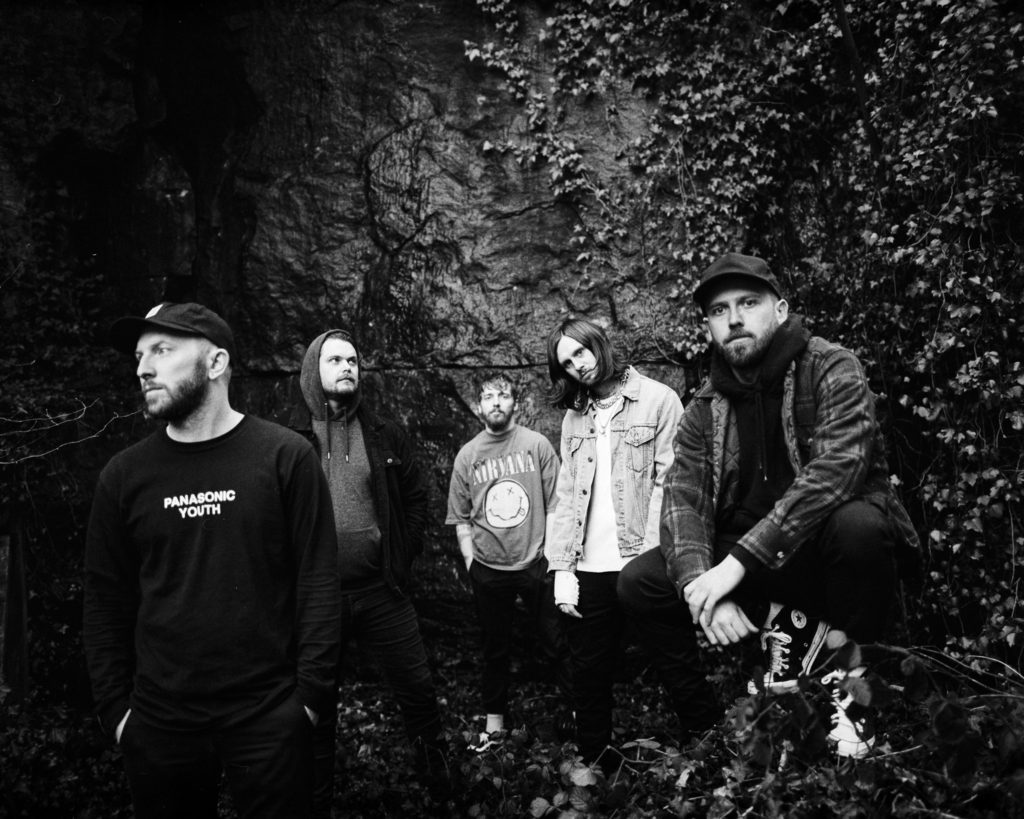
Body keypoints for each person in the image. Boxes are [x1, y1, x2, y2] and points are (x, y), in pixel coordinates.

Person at [619, 252, 921, 758]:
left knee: (861, 526)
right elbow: (681, 502)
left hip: (821, 551)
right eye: (719, 310)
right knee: (640, 583)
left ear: (780, 310)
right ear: (709, 326)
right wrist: (701, 589)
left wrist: (732, 568)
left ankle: (854, 697)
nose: (734, 318)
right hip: (752, 565)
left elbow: (837, 471)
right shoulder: (704, 407)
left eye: (748, 303)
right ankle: (706, 727)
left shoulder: (831, 366)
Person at [83, 302, 340, 818]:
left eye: (162, 350)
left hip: (269, 716)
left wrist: (308, 702)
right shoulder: (124, 476)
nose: (143, 369)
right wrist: (118, 714)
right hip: (159, 723)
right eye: (139, 356)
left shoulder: (286, 457)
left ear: (217, 362)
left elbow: (319, 583)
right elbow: (105, 600)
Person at [291, 329, 446, 815]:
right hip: (318, 601)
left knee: (418, 690)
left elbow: (417, 497)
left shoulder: (382, 433)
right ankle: (316, 804)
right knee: (316, 705)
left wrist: (402, 552)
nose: (347, 367)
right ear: (313, 369)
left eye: (353, 360)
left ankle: (442, 789)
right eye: (335, 360)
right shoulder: (288, 439)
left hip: (382, 590)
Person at [544, 316, 684, 766]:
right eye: (567, 363)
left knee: (676, 660)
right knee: (589, 676)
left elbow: (671, 485)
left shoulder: (659, 400)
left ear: (599, 344)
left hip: (642, 562)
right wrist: (562, 568)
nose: (577, 366)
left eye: (580, 352)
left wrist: (645, 559)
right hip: (589, 566)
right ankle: (594, 769)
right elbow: (567, 494)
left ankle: (708, 755)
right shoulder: (574, 417)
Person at [445, 371, 568, 748]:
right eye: (488, 396)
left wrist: (553, 558)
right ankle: (494, 723)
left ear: (516, 402)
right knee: (494, 648)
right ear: (478, 405)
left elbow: (557, 504)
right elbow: (461, 517)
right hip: (488, 568)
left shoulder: (536, 445)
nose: (496, 402)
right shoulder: (468, 455)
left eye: (503, 395)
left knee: (557, 641)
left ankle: (577, 712)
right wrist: (471, 563)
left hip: (536, 563)